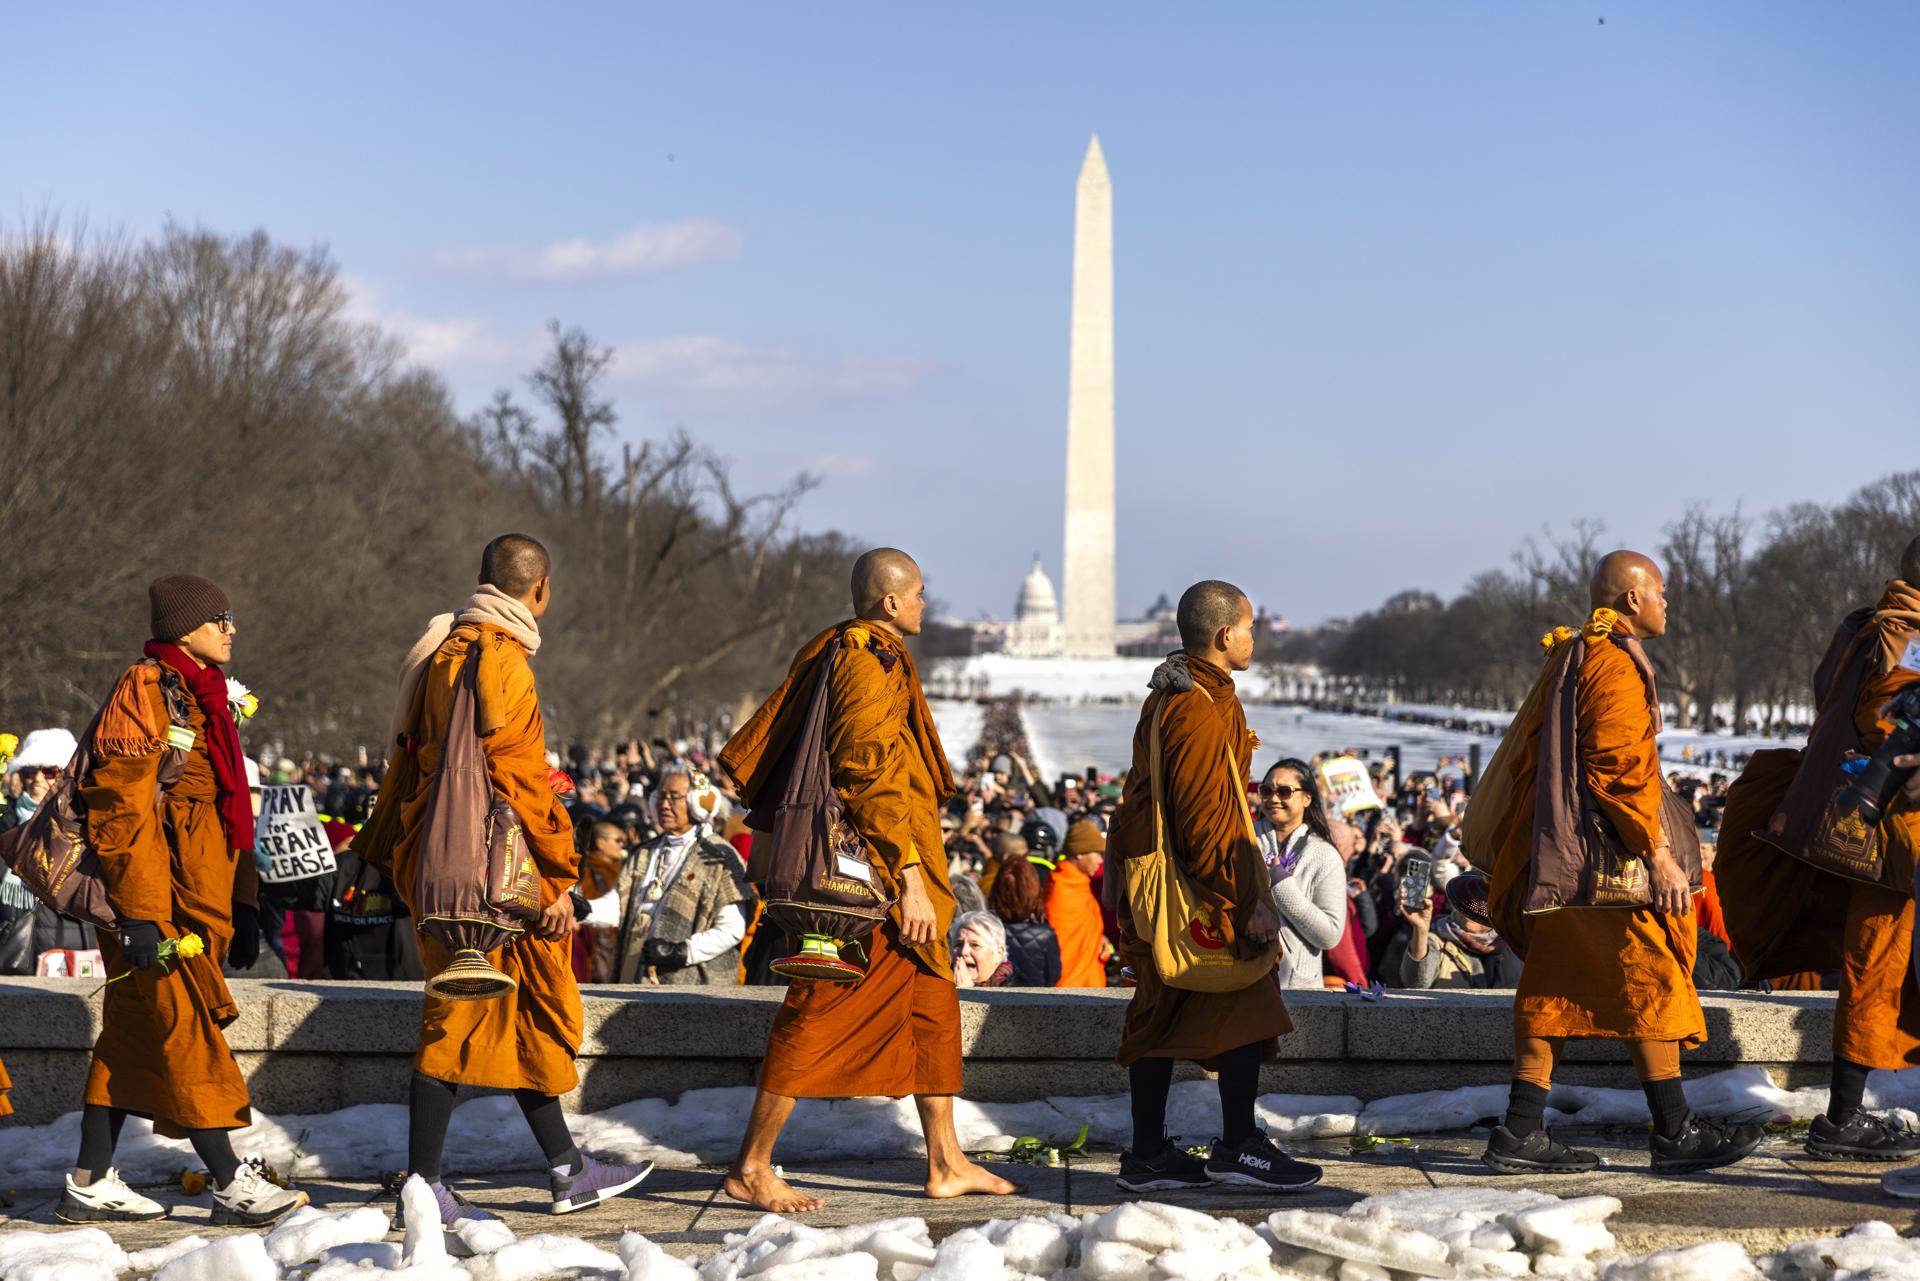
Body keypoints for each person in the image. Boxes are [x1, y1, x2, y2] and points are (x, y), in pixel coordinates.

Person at [716, 547, 1020, 1213]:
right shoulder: (863, 656)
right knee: (815, 1010)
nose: (923, 604)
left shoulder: (866, 652)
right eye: (917, 594)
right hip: (875, 885)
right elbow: (866, 771)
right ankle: (752, 1164)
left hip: (898, 873)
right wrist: (909, 875)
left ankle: (945, 1159)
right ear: (889, 602)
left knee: (933, 1012)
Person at [365, 534, 651, 1227]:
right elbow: (519, 780)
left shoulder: (443, 650)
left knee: (519, 1012)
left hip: (440, 862)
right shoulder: (502, 659)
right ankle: (425, 1186)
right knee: (457, 1014)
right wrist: (556, 877)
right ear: (540, 589)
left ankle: (567, 1167)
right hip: (492, 881)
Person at [1477, 551, 1762, 1176]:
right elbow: (1620, 772)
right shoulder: (1612, 664)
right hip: (1609, 863)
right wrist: (1656, 853)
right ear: (1632, 599)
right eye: (1660, 591)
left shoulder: (1579, 652)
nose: (1668, 602)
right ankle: (1675, 1131)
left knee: (1551, 987)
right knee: (1652, 978)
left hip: (1562, 854)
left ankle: (1521, 1131)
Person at [61, 575, 307, 1226]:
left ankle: (89, 1179)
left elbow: (229, 812)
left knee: (131, 1036)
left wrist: (247, 901)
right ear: (183, 630)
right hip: (157, 912)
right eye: (218, 617)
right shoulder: (145, 689)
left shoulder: (208, 699)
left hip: (198, 905)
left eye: (231, 615)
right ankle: (230, 1181)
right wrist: (140, 914)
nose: (231, 627)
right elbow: (123, 810)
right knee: (188, 1029)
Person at [1109, 580, 1321, 1194]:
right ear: (1225, 634)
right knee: (1248, 1008)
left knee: (1159, 1011)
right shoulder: (1199, 706)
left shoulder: (1172, 698)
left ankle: (1150, 1153)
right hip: (1206, 890)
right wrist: (1242, 902)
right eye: (1251, 627)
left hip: (1163, 888)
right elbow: (1206, 818)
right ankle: (1236, 1146)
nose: (1257, 638)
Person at [1718, 539, 1920, 1161]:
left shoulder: (1864, 626)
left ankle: (1844, 1114)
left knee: (1874, 964)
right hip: (1898, 827)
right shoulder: (1908, 637)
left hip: (1864, 821)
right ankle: (1842, 1118)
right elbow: (1893, 730)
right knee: (1877, 966)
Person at [608, 764, 754, 985]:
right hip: (637, 976)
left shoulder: (720, 857)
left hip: (694, 987)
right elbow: (619, 904)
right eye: (660, 797)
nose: (664, 805)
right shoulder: (645, 852)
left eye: (674, 797)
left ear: (698, 803)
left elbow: (732, 929)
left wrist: (682, 951)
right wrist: (584, 909)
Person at [1253, 759, 1346, 990]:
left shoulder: (1324, 855)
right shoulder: (1243, 840)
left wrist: (1282, 886)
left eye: (1284, 791)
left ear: (1307, 798)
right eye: (1266, 790)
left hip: (1296, 988)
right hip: (1241, 976)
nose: (1273, 798)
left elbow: (1330, 935)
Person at [1049, 819, 1111, 987]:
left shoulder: (1078, 883)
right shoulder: (1062, 888)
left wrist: (1099, 937)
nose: (1100, 861)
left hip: (1087, 979)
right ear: (1079, 853)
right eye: (1097, 853)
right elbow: (1064, 944)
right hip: (1070, 985)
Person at [990, 857, 1062, 986]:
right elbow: (1053, 977)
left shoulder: (984, 931)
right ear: (1033, 890)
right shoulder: (1045, 935)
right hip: (1035, 1003)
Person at [952, 911, 1013, 987]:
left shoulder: (1015, 987)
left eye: (975, 945)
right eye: (958, 945)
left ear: (999, 953)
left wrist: (967, 993)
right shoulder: (940, 982)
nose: (963, 952)